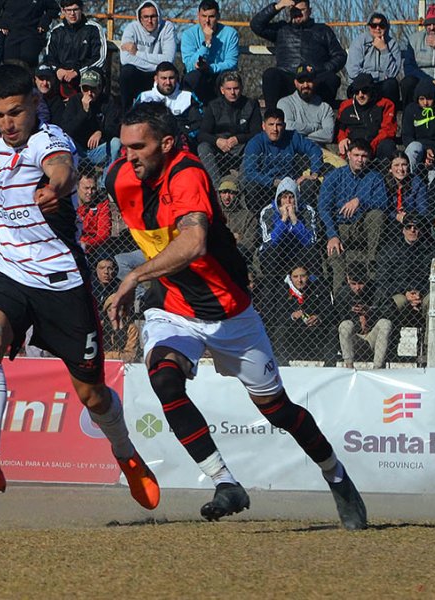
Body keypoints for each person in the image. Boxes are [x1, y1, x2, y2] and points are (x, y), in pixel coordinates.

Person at [105, 101, 366, 529]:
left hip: (230, 314)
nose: (128, 156)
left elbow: (193, 243)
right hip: (174, 307)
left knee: (278, 411)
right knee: (164, 379)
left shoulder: (187, 173)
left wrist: (134, 275)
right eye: (124, 146)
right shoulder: (118, 177)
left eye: (139, 147)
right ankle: (225, 482)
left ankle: (336, 476)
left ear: (166, 144)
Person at [0, 64, 160, 509]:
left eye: (16, 112)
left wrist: (56, 187)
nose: (7, 124)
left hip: (62, 282)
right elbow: (9, 204)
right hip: (11, 271)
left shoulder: (49, 140)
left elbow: (62, 169)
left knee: (91, 393)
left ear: (35, 103)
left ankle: (126, 454)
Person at [318, 139, 389, 292]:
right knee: (336, 255)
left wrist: (360, 201)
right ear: (348, 155)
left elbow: (383, 203)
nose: (360, 160)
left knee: (377, 215)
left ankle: (372, 264)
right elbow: (323, 207)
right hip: (339, 227)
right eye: (356, 155)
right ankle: (340, 298)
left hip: (361, 227)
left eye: (364, 156)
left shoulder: (375, 177)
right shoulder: (334, 176)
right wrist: (332, 235)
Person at [250, 0, 345, 109]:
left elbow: (340, 55)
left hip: (314, 79)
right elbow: (256, 25)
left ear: (310, 11)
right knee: (270, 75)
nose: (298, 14)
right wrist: (278, 6)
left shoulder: (323, 30)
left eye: (302, 10)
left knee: (331, 78)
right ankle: (273, 115)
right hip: (288, 77)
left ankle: (322, 114)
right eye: (294, 11)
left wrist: (322, 69)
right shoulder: (281, 29)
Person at [240, 108, 322, 210]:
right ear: (263, 126)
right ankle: (259, 216)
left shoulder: (292, 137)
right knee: (252, 185)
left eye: (278, 124)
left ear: (284, 126)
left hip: (291, 185)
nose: (275, 129)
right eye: (271, 124)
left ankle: (306, 214)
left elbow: (314, 149)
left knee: (309, 184)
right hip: (267, 186)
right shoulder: (255, 143)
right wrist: (274, 182)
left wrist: (314, 173)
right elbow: (250, 172)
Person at [264, 262, 335, 366]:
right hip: (294, 332)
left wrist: (319, 317)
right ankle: (283, 366)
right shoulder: (283, 290)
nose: (299, 280)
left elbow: (329, 311)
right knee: (280, 330)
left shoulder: (319, 288)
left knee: (332, 329)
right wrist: (292, 316)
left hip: (315, 331)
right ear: (290, 278)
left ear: (308, 276)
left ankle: (330, 367)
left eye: (303, 276)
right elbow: (278, 316)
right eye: (295, 277)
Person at [197, 71, 261, 182]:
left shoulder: (251, 105)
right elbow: (202, 134)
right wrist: (217, 141)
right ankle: (216, 186)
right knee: (203, 147)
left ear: (241, 88)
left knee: (254, 145)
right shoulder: (213, 106)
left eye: (236, 88)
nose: (232, 92)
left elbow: (257, 132)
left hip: (242, 147)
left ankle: (243, 184)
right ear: (222, 90)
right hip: (220, 148)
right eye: (229, 89)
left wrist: (238, 139)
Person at [118, 1, 176, 113]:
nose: (149, 21)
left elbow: (169, 60)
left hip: (157, 75)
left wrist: (137, 53)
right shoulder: (131, 28)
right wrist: (156, 64)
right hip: (138, 73)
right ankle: (126, 113)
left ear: (158, 16)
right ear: (140, 18)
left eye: (153, 16)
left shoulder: (167, 27)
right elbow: (125, 59)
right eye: (146, 17)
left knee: (167, 74)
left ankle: (166, 114)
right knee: (127, 71)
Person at [179, 0, 239, 105]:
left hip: (219, 74)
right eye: (204, 16)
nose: (207, 21)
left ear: (218, 16)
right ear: (198, 15)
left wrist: (210, 68)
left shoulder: (230, 34)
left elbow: (232, 63)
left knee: (226, 78)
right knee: (191, 77)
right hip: (198, 74)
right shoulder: (188, 34)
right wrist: (206, 43)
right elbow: (189, 65)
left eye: (211, 16)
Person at [43, 0, 107, 99]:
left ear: (81, 9)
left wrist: (77, 71)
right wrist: (58, 70)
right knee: (43, 73)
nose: (72, 13)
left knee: (93, 75)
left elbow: (99, 58)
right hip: (61, 74)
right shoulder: (56, 31)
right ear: (63, 11)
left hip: (84, 74)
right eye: (68, 10)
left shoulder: (94, 29)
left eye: (75, 9)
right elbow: (49, 57)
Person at [57, 70, 122, 165]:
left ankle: (108, 174)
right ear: (80, 88)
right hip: (78, 150)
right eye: (85, 88)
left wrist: (101, 133)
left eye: (93, 89)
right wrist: (84, 112)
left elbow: (114, 127)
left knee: (116, 143)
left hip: (98, 150)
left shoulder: (107, 101)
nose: (89, 93)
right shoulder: (74, 101)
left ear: (100, 88)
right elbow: (66, 130)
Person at [257, 176, 318, 277]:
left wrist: (294, 219)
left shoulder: (307, 210)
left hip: (298, 250)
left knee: (312, 252)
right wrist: (284, 219)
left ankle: (314, 284)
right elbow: (270, 241)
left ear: (296, 197)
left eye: (291, 197)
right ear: (279, 199)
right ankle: (271, 283)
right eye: (284, 197)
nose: (288, 201)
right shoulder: (268, 211)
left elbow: (310, 240)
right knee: (271, 252)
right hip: (278, 252)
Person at [335, 263, 392, 369]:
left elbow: (391, 313)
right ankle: (349, 367)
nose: (357, 288)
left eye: (361, 283)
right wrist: (356, 319)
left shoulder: (378, 290)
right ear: (348, 280)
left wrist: (371, 312)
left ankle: (377, 368)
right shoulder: (342, 293)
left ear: (366, 279)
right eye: (353, 284)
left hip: (373, 336)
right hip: (355, 338)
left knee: (385, 323)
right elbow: (337, 318)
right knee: (345, 325)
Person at [374, 214, 435, 303]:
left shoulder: (431, 251)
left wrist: (420, 293)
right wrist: (405, 292)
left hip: (423, 293)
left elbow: (433, 279)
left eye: (416, 227)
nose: (412, 230)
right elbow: (382, 279)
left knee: (431, 300)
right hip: (399, 292)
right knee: (400, 301)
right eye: (408, 227)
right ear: (403, 230)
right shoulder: (389, 250)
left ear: (421, 230)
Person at [134, 61, 201, 144]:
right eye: (164, 78)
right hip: (150, 141)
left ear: (176, 78)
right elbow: (134, 122)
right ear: (156, 79)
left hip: (181, 142)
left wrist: (185, 136)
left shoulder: (187, 97)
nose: (168, 82)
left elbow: (198, 123)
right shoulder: (144, 97)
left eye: (171, 78)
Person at [276, 64, 337, 153]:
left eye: (309, 81)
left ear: (315, 82)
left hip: (319, 152)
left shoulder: (325, 108)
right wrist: (316, 127)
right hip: (292, 152)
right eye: (301, 81)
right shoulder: (285, 103)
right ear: (295, 83)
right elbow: (288, 127)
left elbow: (328, 135)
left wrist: (302, 138)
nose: (305, 85)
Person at [335, 73, 397, 161]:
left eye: (364, 91)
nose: (360, 95)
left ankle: (383, 170)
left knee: (388, 145)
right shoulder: (346, 106)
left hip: (375, 145)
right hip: (353, 146)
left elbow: (388, 131)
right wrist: (342, 139)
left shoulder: (385, 104)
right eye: (356, 91)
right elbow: (340, 127)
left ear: (371, 90)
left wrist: (370, 147)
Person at [345, 12, 401, 107]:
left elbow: (392, 73)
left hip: (382, 85)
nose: (377, 28)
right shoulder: (359, 42)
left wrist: (384, 50)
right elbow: (353, 71)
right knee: (359, 88)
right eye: (374, 25)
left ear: (387, 27)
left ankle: (389, 114)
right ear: (369, 26)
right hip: (361, 84)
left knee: (391, 84)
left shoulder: (393, 44)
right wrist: (377, 76)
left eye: (381, 25)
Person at [401, 78, 435, 184]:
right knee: (413, 146)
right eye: (422, 99)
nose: (425, 103)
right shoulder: (411, 110)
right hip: (419, 150)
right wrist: (425, 153)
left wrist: (434, 155)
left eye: (429, 99)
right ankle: (408, 182)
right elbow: (407, 135)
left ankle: (432, 191)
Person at [0, 0, 60, 68]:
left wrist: (44, 21)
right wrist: (1, 22)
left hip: (32, 34)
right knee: (10, 64)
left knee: (28, 62)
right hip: (10, 34)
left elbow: (54, 9)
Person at [215, 178, 257, 265]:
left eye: (231, 193)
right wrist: (233, 237)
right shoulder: (214, 214)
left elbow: (249, 244)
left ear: (237, 194)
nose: (227, 197)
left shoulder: (248, 216)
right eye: (224, 192)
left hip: (238, 257)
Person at [385, 151, 428, 225]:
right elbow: (383, 208)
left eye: (404, 165)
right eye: (396, 165)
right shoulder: (384, 183)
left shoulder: (417, 183)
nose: (401, 169)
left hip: (412, 221)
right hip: (390, 221)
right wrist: (396, 216)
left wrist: (409, 217)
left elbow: (423, 208)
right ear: (390, 169)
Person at [76, 171, 112, 258]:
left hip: (94, 246)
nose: (90, 192)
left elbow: (104, 233)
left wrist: (86, 244)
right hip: (73, 243)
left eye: (93, 188)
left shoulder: (101, 202)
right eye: (86, 188)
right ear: (77, 187)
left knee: (105, 259)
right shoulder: (69, 203)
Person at [102, 294, 139, 362]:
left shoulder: (131, 328)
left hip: (125, 365)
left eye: (118, 310)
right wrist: (118, 355)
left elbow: (130, 356)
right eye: (109, 310)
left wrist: (121, 330)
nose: (113, 314)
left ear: (124, 311)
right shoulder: (101, 326)